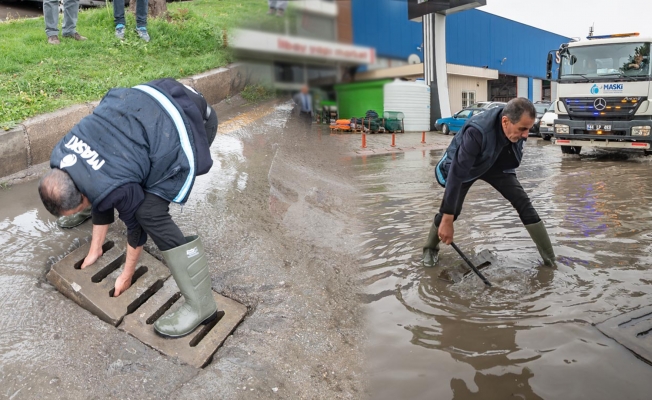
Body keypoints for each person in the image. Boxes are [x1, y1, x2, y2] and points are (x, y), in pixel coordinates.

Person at [38, 78, 219, 338]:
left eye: (77, 208)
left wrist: (127, 273)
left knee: (147, 212)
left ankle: (202, 305)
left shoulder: (112, 185)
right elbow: (100, 182)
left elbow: (134, 226)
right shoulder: (62, 155)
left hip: (190, 125)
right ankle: (98, 205)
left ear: (83, 195)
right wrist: (96, 248)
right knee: (112, 186)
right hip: (154, 105)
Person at [422, 98, 555, 268]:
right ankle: (430, 248)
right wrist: (447, 219)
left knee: (523, 202)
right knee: (452, 210)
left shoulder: (516, 126)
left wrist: (520, 132)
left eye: (529, 129)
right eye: (522, 129)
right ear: (505, 121)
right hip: (468, 167)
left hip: (496, 164)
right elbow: (457, 173)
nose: (526, 135)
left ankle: (550, 260)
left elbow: (514, 148)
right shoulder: (477, 131)